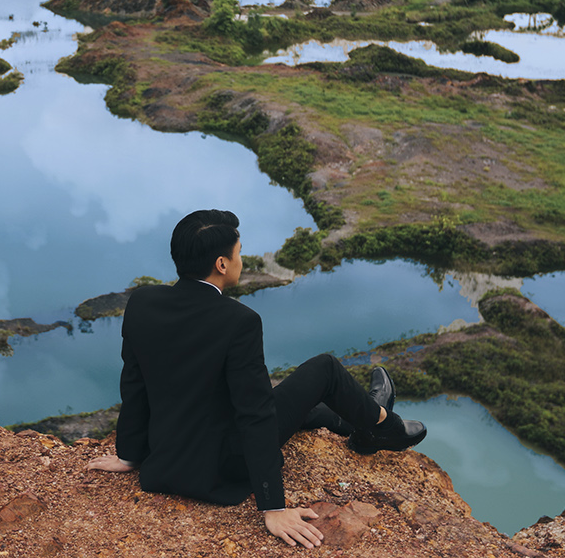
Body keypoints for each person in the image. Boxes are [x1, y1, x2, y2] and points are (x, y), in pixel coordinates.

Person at [87, 209, 426, 549]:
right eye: (238, 252)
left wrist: (129, 454)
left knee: (301, 406)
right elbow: (255, 414)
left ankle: (357, 423)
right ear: (221, 264)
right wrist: (272, 506)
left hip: (164, 461)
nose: (241, 260)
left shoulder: (142, 302)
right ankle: (386, 427)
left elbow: (134, 382)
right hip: (224, 466)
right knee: (324, 368)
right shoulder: (239, 320)